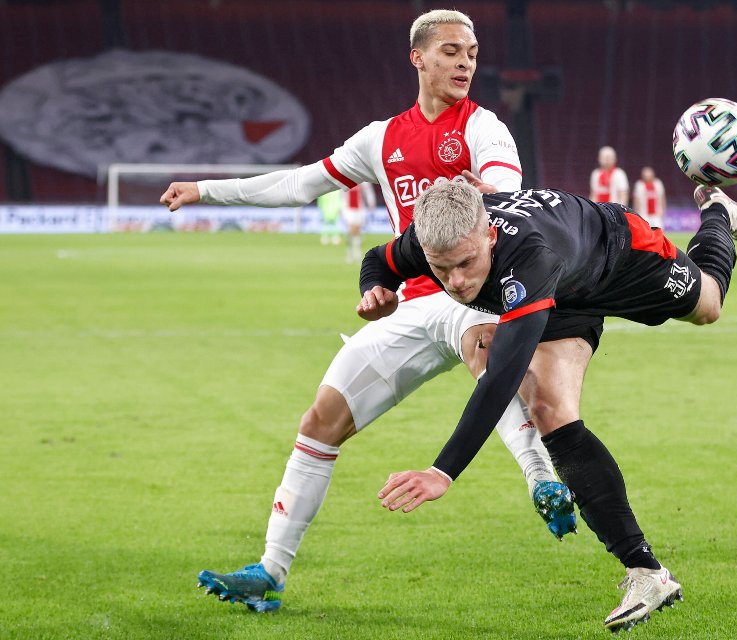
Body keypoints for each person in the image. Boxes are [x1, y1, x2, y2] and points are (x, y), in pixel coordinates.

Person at [159, 9, 575, 613]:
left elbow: (505, 195)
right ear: (419, 58)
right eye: (453, 52)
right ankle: (271, 573)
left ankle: (542, 479)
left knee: (489, 351)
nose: (466, 64)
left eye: (473, 54)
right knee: (319, 422)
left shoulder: (485, 128)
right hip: (410, 309)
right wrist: (207, 190)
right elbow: (300, 184)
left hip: (472, 294)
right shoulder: (381, 138)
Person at [357, 180, 737, 631]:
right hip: (565, 289)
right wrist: (376, 290)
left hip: (620, 254)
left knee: (707, 304)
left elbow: (500, 380)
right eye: (441, 269)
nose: (456, 282)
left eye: (467, 263)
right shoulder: (431, 237)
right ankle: (646, 571)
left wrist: (442, 472)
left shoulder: (529, 256)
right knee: (550, 409)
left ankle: (718, 211)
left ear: (489, 236)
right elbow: (379, 260)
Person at [340, 182, 376, 262]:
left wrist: (371, 204)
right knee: (351, 230)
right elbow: (342, 195)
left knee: (358, 231)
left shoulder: (363, 181)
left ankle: (357, 253)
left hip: (360, 209)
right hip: (348, 209)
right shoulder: (345, 180)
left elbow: (368, 192)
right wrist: (342, 209)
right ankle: (350, 253)